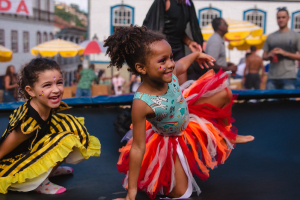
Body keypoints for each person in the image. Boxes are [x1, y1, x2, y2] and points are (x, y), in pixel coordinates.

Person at [104, 25, 254, 200]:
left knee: (223, 92)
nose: (170, 64)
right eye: (162, 61)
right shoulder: (142, 102)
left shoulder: (170, 72)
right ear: (141, 68)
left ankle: (225, 133)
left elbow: (183, 63)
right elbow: (137, 148)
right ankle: (163, 184)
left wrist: (197, 54)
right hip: (169, 139)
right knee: (181, 194)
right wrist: (130, 194)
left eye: (171, 58)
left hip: (189, 117)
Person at [0, 58, 100, 194]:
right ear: (30, 91)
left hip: (31, 156)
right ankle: (40, 181)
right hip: (16, 170)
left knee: (67, 126)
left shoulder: (45, 107)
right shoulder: (28, 122)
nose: (56, 90)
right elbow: (2, 150)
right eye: (47, 85)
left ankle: (48, 170)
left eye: (59, 83)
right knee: (65, 139)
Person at [143, 0, 204, 85]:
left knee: (181, 88)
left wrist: (189, 42)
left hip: (178, 49)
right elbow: (151, 28)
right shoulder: (164, 1)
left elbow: (177, 30)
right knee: (161, 88)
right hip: (161, 50)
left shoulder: (187, 3)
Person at [262, 8, 300, 90]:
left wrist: (285, 53)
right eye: (279, 17)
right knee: (269, 102)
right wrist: (269, 55)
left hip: (289, 77)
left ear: (288, 18)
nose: (281, 20)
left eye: (283, 17)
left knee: (288, 102)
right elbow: (263, 56)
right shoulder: (271, 37)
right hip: (272, 77)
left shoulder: (296, 36)